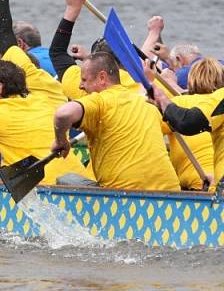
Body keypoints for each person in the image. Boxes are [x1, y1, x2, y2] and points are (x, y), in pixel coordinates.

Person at [52, 52, 180, 191]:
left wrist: (61, 140)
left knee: (65, 179)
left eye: (84, 79)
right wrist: (148, 78)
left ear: (102, 77)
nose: (80, 86)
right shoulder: (145, 102)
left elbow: (62, 114)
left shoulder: (100, 101)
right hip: (170, 191)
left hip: (122, 197)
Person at [48, 0, 141, 100]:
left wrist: (72, 8)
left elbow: (57, 51)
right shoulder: (141, 85)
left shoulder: (85, 83)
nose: (81, 84)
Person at [154, 60, 224, 190]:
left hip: (197, 183)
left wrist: (158, 98)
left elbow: (150, 133)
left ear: (191, 80)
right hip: (212, 179)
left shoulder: (178, 104)